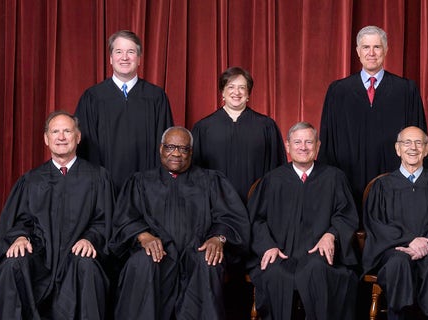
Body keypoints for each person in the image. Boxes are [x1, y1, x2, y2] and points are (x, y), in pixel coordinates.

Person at [109, 126, 250, 320]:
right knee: (142, 262)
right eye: (170, 147)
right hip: (159, 253)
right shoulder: (141, 182)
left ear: (191, 152)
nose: (176, 153)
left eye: (183, 149)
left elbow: (231, 218)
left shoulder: (211, 181)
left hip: (197, 252)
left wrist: (218, 238)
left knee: (208, 261)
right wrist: (143, 236)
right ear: (161, 149)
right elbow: (125, 218)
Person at [0, 111, 113, 320]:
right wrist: (20, 237)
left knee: (88, 265)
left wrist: (90, 238)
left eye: (67, 131)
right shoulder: (31, 180)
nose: (61, 137)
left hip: (76, 257)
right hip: (40, 256)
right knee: (13, 264)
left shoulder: (97, 177)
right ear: (46, 139)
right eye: (55, 131)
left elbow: (105, 220)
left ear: (78, 137)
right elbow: (21, 219)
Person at [248, 122, 359, 320]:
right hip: (280, 253)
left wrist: (331, 234)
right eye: (297, 142)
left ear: (318, 146)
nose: (303, 147)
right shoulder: (273, 180)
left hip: (320, 255)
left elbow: (346, 215)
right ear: (288, 146)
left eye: (309, 142)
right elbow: (256, 219)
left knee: (318, 271)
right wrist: (268, 246)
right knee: (275, 275)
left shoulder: (334, 177)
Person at [363, 126, 428, 320]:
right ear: (398, 149)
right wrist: (409, 241)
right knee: (398, 262)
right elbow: (376, 224)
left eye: (419, 143)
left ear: (427, 149)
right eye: (407, 143)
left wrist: (425, 243)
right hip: (394, 249)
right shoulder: (382, 186)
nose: (413, 148)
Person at [319, 25, 427, 213]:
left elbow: (418, 140)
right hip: (349, 182)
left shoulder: (406, 90)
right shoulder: (338, 91)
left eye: (377, 47)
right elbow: (328, 142)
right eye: (366, 47)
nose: (371, 53)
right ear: (358, 52)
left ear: (385, 51)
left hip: (395, 185)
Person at [75, 30, 173, 194]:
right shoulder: (92, 97)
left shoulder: (156, 97)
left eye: (131, 52)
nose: (125, 57)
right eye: (118, 52)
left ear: (139, 58)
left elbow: (166, 144)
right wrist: (98, 185)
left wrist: (158, 186)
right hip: (103, 189)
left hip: (148, 188)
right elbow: (84, 147)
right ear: (111, 58)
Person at [192, 66, 286, 203]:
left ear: (248, 94)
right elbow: (196, 173)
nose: (237, 92)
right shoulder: (204, 128)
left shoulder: (266, 126)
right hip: (216, 207)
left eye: (242, 87)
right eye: (231, 87)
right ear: (222, 92)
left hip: (256, 206)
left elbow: (277, 170)